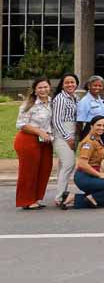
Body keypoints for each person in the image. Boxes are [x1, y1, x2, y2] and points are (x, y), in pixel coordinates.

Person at [14, 77, 54, 210]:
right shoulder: (28, 104)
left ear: (50, 87)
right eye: (40, 88)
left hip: (45, 141)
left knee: (44, 169)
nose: (43, 90)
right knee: (28, 171)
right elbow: (21, 125)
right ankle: (26, 200)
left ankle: (36, 198)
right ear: (35, 90)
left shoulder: (52, 102)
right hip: (28, 140)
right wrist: (39, 132)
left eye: (45, 87)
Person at [50, 72, 79, 208]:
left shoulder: (74, 97)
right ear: (62, 84)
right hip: (62, 135)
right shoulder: (60, 98)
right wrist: (67, 137)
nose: (70, 84)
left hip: (73, 133)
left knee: (64, 166)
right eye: (67, 82)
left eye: (72, 82)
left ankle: (62, 193)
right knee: (69, 164)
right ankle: (59, 196)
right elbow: (56, 120)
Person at [76, 75, 104, 145]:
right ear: (89, 86)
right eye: (95, 85)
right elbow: (79, 122)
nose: (97, 87)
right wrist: (82, 136)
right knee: (89, 153)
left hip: (102, 130)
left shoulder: (101, 100)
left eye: (100, 86)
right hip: (90, 131)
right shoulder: (85, 101)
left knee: (101, 153)